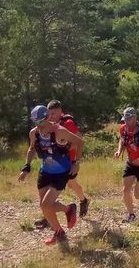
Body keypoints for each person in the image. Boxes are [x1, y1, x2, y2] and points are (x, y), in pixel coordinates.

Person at [18, 105, 84, 245]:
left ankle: (66, 215)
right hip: (45, 171)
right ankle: (61, 226)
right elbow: (31, 149)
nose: (38, 125)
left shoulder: (59, 131)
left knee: (46, 204)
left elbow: (79, 142)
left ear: (48, 118)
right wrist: (26, 167)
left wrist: (76, 163)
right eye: (35, 122)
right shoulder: (34, 133)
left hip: (61, 172)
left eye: (40, 121)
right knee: (45, 207)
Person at [31, 100, 90, 229]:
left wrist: (67, 151)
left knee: (72, 184)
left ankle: (83, 200)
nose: (50, 116)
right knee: (50, 193)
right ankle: (48, 216)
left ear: (60, 111)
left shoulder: (67, 123)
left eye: (53, 113)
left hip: (69, 159)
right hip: (54, 163)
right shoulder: (47, 125)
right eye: (49, 113)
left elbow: (78, 139)